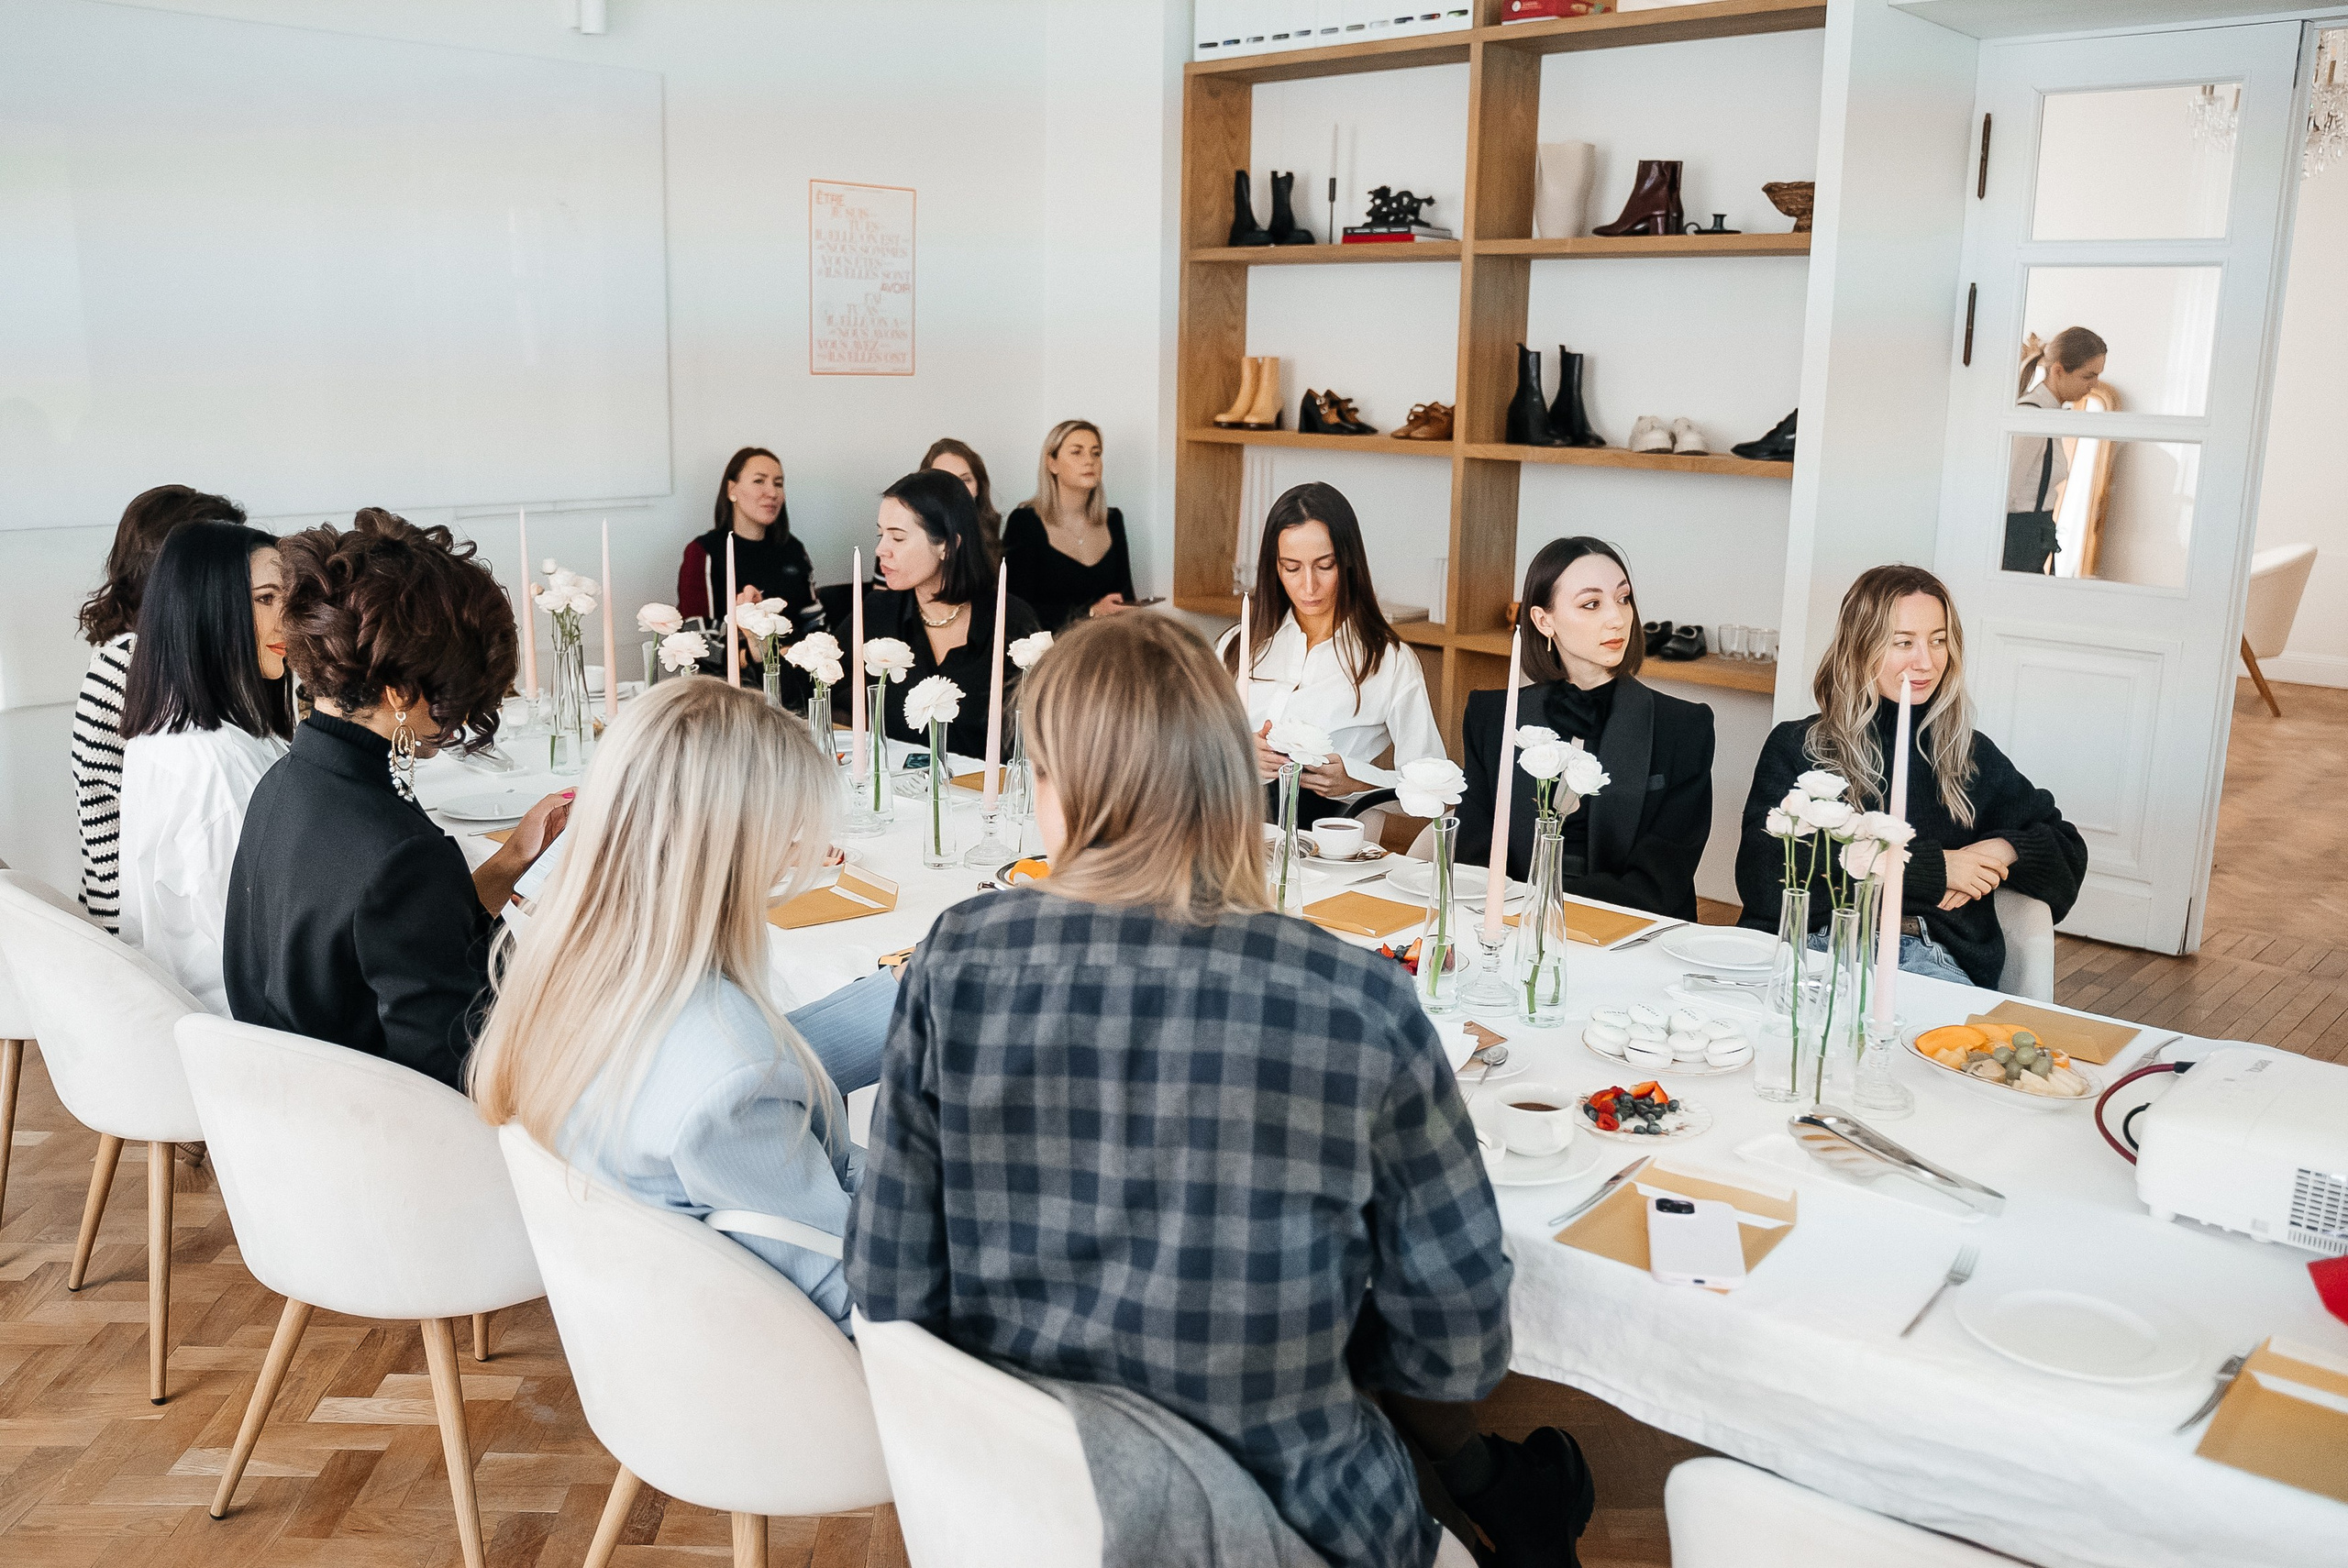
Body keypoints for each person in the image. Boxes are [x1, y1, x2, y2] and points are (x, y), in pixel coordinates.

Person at [848, 613, 1582, 1568]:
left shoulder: (955, 957)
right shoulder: (1356, 1000)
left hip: (1019, 1502)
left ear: (1057, 787)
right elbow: (1458, 1345)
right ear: (1234, 779)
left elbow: (889, 1279)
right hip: (1288, 1516)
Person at [471, 679, 892, 1332]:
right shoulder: (731, 1079)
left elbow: (757, 1069)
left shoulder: (574, 976)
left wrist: (912, 997)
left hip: (671, 1334)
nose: (799, 855)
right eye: (792, 834)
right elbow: (854, 1295)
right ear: (736, 851)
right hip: (805, 1372)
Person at [225, 509, 570, 1089]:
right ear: (402, 693)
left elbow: (389, 942)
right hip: (394, 1140)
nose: (462, 721)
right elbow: (462, 1062)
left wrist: (513, 861)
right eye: (461, 696)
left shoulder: (284, 784)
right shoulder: (400, 852)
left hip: (288, 1114)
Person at [1735, 564, 2088, 988]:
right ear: (1860, 647)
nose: (1926, 661)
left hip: (1923, 956)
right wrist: (1935, 869)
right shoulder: (1800, 745)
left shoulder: (1967, 754)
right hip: (1809, 948)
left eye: (1938, 641)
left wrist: (2006, 847)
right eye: (1904, 643)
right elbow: (1766, 875)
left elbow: (2066, 851)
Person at [1456, 538, 1716, 922]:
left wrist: (1540, 901)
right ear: (1544, 620)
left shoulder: (1683, 727)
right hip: (1510, 931)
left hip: (1632, 935)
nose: (1618, 618)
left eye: (1623, 599)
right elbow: (1474, 863)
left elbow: (1659, 885)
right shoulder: (1492, 717)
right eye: (1591, 604)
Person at [116, 523, 294, 1014]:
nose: (290, 618)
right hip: (249, 1027)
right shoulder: (217, 764)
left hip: (196, 1006)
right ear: (208, 609)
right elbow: (263, 944)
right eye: (265, 598)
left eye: (289, 596)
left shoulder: (164, 729)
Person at [72, 484, 249, 931]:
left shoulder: (150, 652)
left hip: (144, 899)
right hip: (132, 915)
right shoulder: (132, 663)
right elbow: (102, 796)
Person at [1221, 481, 1444, 827]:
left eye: (1324, 565)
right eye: (1291, 568)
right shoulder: (1237, 645)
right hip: (1227, 834)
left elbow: (1436, 793)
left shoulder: (1388, 662)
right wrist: (1234, 750)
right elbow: (1183, 750)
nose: (1308, 586)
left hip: (1328, 852)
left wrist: (1357, 782)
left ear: (1349, 561)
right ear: (1274, 567)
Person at [861, 469, 1041, 756]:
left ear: (947, 544)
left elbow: (1041, 734)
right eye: (880, 535)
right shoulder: (877, 613)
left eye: (897, 538)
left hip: (986, 795)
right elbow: (815, 689)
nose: (881, 550)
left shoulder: (1011, 621)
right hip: (898, 796)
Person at [676, 447, 825, 690]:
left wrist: (806, 654)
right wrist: (756, 657)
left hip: (798, 676)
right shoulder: (704, 551)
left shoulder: (793, 548)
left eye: (778, 483)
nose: (772, 492)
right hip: (733, 683)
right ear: (732, 490)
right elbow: (695, 635)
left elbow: (815, 621)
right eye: (759, 481)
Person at [1001, 419, 1136, 630]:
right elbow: (1016, 610)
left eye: (1096, 453)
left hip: (1106, 646)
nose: (1089, 461)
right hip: (1050, 651)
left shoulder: (1113, 520)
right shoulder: (1025, 522)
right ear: (1052, 463)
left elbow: (1125, 596)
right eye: (1077, 452)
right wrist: (1091, 613)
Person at [2006, 326, 2107, 575]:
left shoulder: (2049, 416)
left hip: (2032, 542)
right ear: (2058, 371)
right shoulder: (2032, 418)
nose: (2094, 385)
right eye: (2087, 376)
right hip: (2017, 546)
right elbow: (2004, 493)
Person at [920, 436, 1002, 566]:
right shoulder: (900, 544)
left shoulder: (1002, 549)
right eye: (944, 481)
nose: (957, 489)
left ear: (979, 486)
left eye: (965, 480)